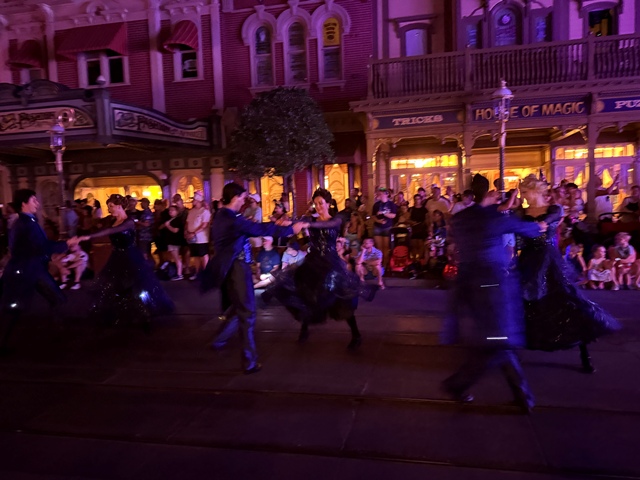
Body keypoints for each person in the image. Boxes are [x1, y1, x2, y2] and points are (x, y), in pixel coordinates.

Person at [442, 175, 545, 414]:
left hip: (468, 285)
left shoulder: (460, 218)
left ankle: (522, 396)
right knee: (498, 342)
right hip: (492, 286)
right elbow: (526, 229)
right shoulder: (493, 218)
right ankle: (460, 385)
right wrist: (539, 227)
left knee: (493, 341)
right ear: (489, 193)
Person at [518, 174, 620, 373]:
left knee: (567, 302)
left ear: (537, 191)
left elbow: (547, 222)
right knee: (525, 302)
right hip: (528, 260)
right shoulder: (521, 212)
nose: (523, 196)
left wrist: (539, 224)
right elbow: (517, 234)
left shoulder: (553, 209)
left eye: (525, 192)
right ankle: (521, 345)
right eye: (522, 192)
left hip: (548, 261)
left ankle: (584, 353)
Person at [201, 183, 301, 375]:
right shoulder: (231, 219)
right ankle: (249, 361)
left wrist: (276, 225)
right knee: (247, 312)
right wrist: (289, 229)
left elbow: (250, 228)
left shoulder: (222, 216)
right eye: (242, 198)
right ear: (235, 197)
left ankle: (219, 340)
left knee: (238, 307)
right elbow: (257, 229)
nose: (243, 202)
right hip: (237, 268)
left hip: (232, 267)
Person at [263, 188, 378, 350]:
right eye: (316, 204)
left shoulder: (336, 220)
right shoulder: (310, 219)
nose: (318, 206)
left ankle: (356, 334)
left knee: (340, 297)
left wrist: (306, 224)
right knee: (306, 295)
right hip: (313, 261)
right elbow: (298, 224)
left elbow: (324, 225)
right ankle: (304, 328)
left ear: (328, 204)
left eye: (321, 203)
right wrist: (288, 223)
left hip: (330, 263)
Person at [75, 194, 174, 331]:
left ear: (120, 206)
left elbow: (111, 230)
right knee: (114, 287)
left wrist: (88, 236)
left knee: (137, 287)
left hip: (131, 257)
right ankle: (120, 315)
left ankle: (144, 315)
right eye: (108, 206)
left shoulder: (129, 222)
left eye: (111, 206)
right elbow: (102, 227)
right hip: (116, 257)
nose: (109, 209)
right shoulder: (111, 220)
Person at [0, 189, 75, 352]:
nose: (38, 203)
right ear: (24, 204)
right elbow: (42, 246)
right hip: (25, 271)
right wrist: (66, 244)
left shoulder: (26, 222)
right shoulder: (26, 223)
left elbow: (37, 247)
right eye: (33, 200)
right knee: (14, 309)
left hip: (31, 269)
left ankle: (59, 335)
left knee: (55, 298)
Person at [185, 191, 211, 279]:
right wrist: (186, 231)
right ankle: (197, 272)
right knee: (196, 255)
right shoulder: (191, 211)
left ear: (199, 201)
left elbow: (204, 225)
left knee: (203, 255)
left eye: (194, 200)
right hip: (192, 238)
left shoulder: (205, 211)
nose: (193, 201)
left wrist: (194, 233)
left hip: (201, 238)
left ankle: (207, 274)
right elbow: (187, 222)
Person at [372, 187, 397, 267]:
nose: (379, 195)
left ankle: (385, 263)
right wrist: (378, 221)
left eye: (381, 194)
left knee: (386, 247)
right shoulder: (376, 204)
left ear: (386, 194)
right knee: (379, 247)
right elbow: (373, 216)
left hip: (387, 227)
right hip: (378, 227)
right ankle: (380, 263)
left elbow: (393, 215)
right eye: (379, 194)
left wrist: (383, 213)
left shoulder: (391, 204)